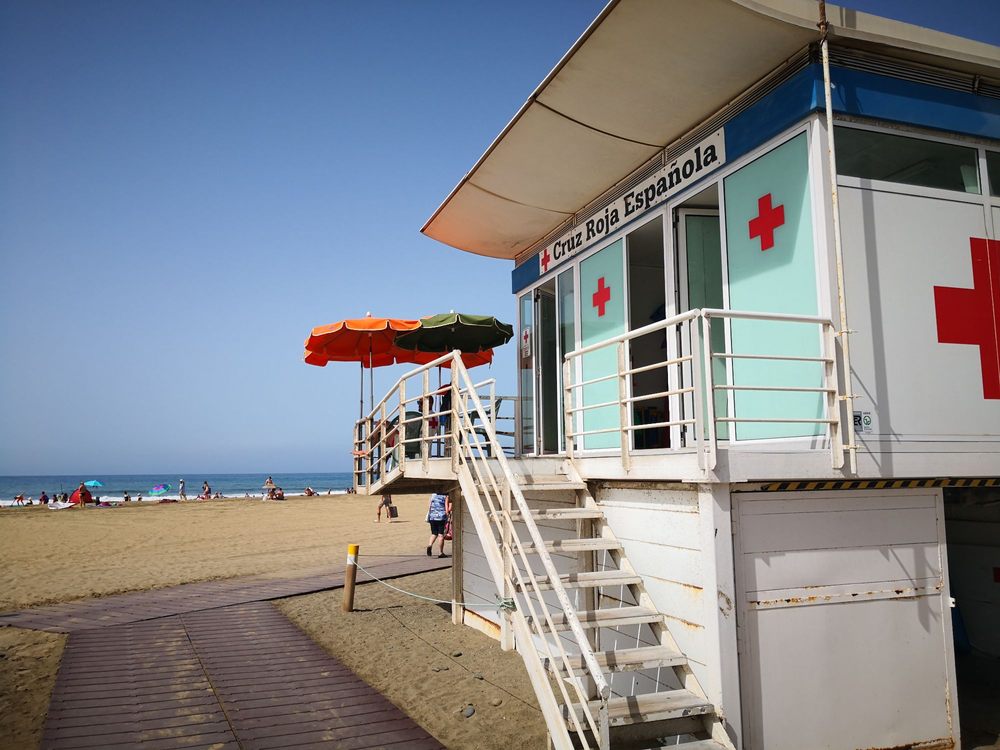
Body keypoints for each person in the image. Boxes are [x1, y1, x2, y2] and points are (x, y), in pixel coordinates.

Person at [426, 492, 452, 558]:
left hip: (432, 516)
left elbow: (429, 506)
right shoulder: (445, 496)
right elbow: (447, 508)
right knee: (441, 535)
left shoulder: (433, 495)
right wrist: (448, 513)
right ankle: (441, 552)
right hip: (441, 517)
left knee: (434, 533)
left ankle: (430, 545)